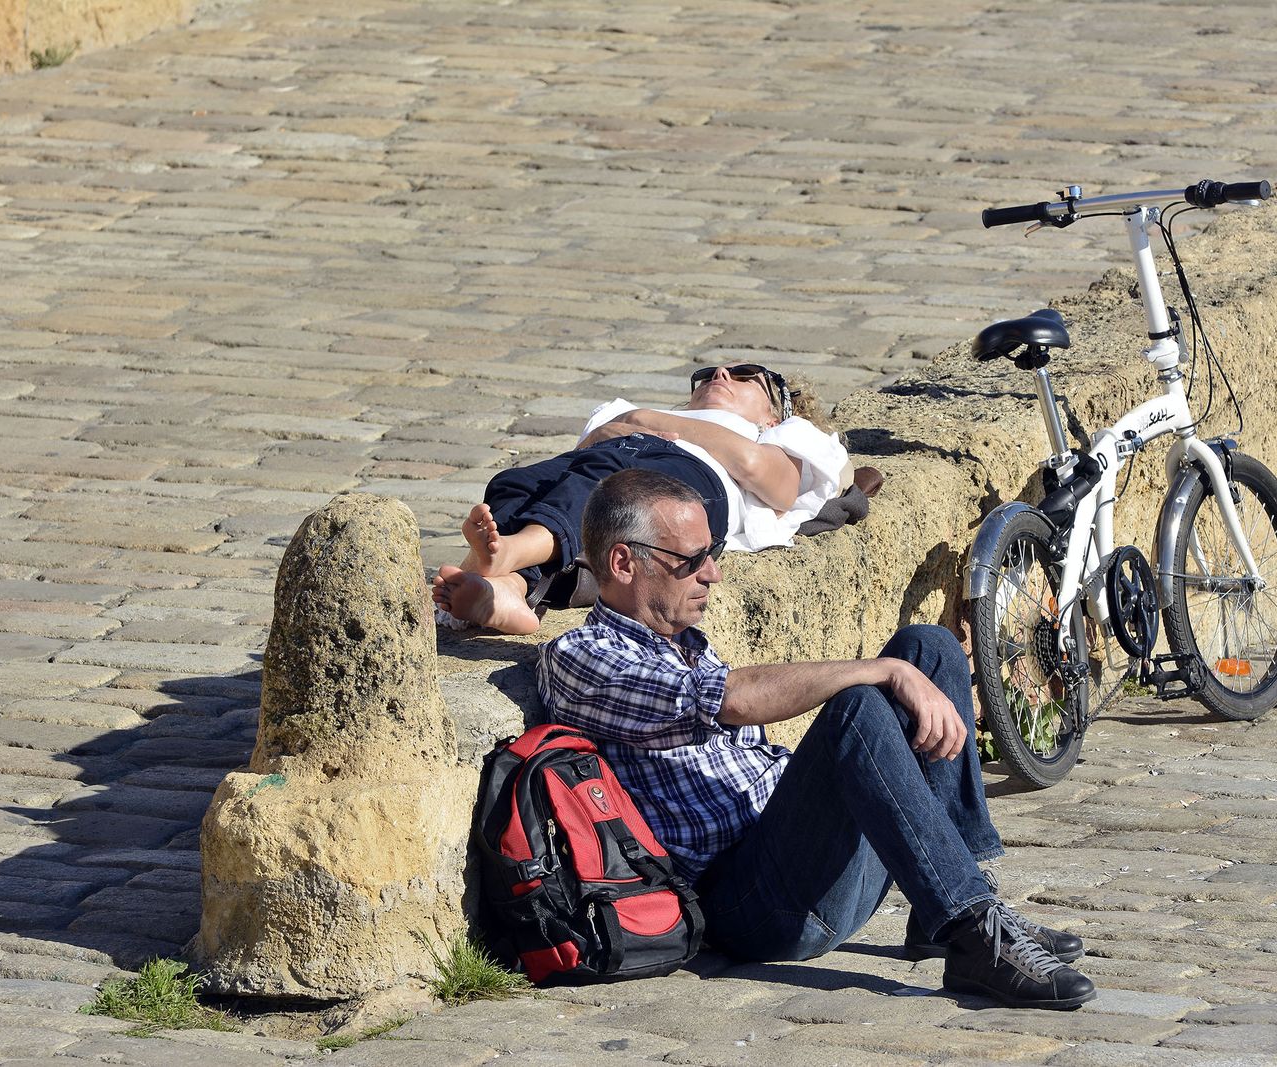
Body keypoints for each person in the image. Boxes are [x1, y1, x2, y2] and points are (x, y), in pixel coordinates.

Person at [536, 468, 1096, 1010]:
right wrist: (879, 671)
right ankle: (975, 935)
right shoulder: (585, 658)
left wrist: (899, 668)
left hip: (801, 856)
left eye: (714, 555)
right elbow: (730, 700)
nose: (712, 575)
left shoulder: (686, 642)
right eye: (690, 561)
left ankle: (948, 909)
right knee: (858, 708)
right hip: (749, 906)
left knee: (929, 649)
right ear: (622, 562)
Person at [433, 362, 847, 635]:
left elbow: (760, 471)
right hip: (617, 455)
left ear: (774, 412)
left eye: (745, 376)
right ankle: (510, 586)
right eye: (708, 375)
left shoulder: (780, 434)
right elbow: (587, 449)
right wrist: (619, 431)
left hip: (692, 480)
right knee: (517, 483)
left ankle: (508, 554)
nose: (720, 372)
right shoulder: (661, 416)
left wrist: (640, 421)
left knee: (603, 490)